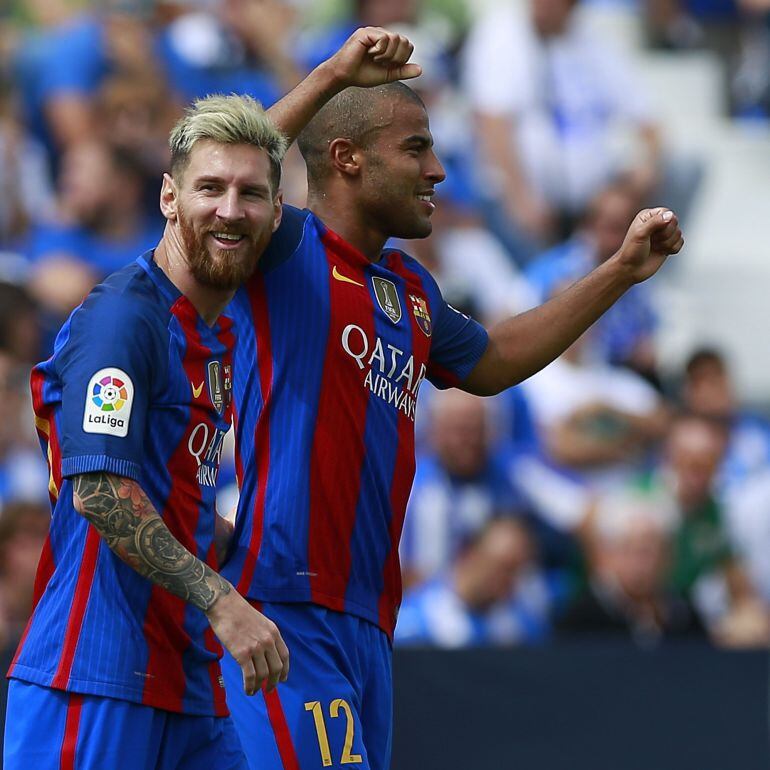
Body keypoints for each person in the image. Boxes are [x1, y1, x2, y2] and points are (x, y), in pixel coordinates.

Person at [220, 76, 683, 769]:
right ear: (346, 157)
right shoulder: (285, 248)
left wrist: (618, 272)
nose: (438, 169)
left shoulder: (409, 290)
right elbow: (224, 164)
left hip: (370, 619)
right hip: (285, 605)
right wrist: (336, 74)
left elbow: (493, 361)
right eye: (416, 148)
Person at [3, 27, 421, 770]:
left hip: (188, 690)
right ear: (168, 195)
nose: (231, 210)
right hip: (94, 683)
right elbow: (100, 490)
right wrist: (227, 602)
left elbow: (175, 497)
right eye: (208, 189)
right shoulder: (122, 319)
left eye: (253, 195)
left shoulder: (213, 339)